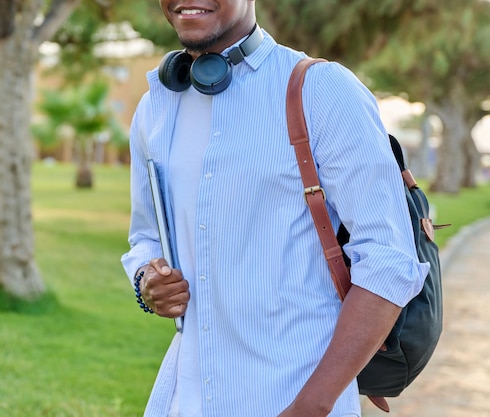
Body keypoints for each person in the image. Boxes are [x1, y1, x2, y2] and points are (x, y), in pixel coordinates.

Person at [121, 1, 429, 416]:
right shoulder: (154, 107)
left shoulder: (321, 90)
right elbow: (146, 236)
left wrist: (312, 405)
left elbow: (389, 258)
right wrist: (147, 281)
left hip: (291, 397)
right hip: (183, 399)